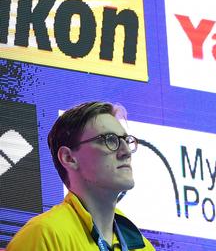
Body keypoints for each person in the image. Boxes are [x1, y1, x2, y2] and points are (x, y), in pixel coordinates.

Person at [7, 101, 155, 250]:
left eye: (126, 140)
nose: (126, 152)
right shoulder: (44, 235)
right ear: (68, 158)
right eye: (110, 139)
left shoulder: (144, 247)